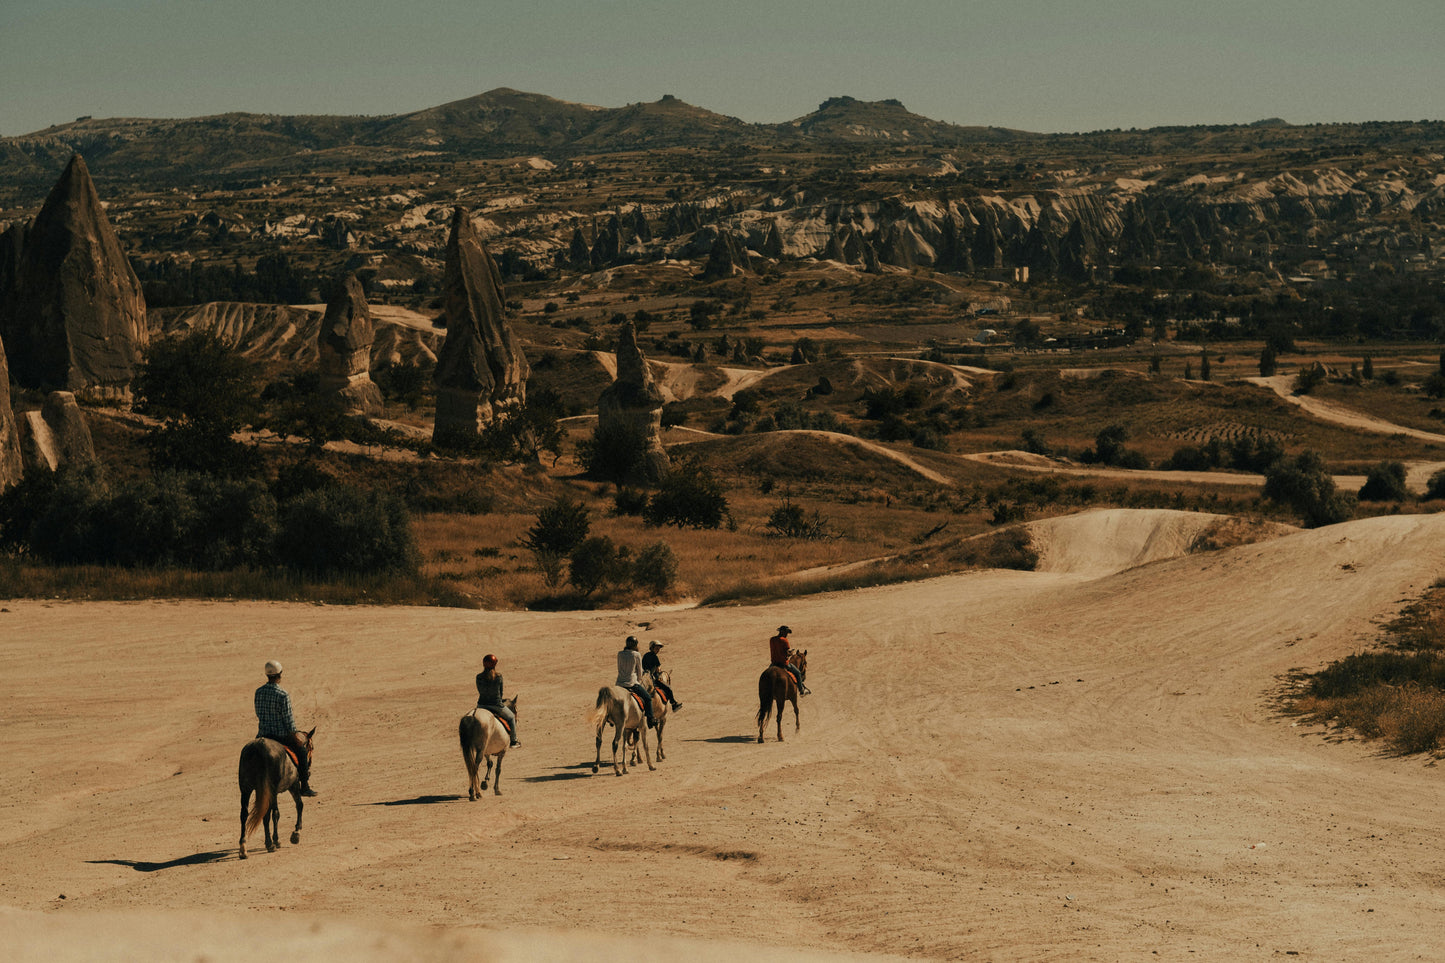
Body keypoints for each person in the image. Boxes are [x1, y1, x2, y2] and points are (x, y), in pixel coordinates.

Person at [254, 660, 317, 796]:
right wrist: (294, 734)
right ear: (280, 675)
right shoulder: (283, 694)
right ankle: (304, 786)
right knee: (301, 751)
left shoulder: (258, 692)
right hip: (280, 735)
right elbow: (288, 719)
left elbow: (258, 713)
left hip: (263, 735)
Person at [475, 653, 519, 747]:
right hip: (496, 705)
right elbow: (500, 692)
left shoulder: (478, 677)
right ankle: (514, 741)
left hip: (481, 705)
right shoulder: (498, 677)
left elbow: (480, 691)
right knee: (511, 717)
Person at [616, 636, 658, 729]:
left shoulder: (620, 654)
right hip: (631, 683)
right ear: (635, 645)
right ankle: (650, 719)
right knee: (647, 698)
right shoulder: (636, 654)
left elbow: (619, 668)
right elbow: (640, 671)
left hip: (619, 683)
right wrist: (639, 681)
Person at [642, 640, 681, 711]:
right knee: (668, 688)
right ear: (652, 648)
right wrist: (659, 670)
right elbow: (658, 669)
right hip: (653, 679)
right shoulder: (654, 656)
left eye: (658, 649)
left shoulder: (645, 655)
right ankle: (673, 704)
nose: (658, 650)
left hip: (645, 677)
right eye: (656, 648)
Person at [769, 625, 809, 695]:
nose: (787, 634)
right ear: (783, 632)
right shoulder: (784, 640)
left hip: (773, 663)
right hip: (783, 663)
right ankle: (801, 690)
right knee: (798, 673)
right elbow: (787, 653)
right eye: (786, 633)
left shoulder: (772, 639)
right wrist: (791, 653)